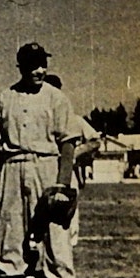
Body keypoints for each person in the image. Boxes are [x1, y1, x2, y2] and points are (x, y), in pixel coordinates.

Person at [0, 43, 82, 278]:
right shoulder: (5, 98)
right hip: (14, 166)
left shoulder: (57, 98)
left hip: (47, 167)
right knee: (11, 232)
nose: (39, 70)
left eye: (42, 64)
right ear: (21, 67)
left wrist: (62, 184)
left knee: (56, 236)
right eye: (32, 65)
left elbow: (68, 143)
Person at [44, 73, 101, 246]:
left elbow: (95, 140)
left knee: (67, 214)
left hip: (67, 173)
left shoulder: (73, 119)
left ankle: (67, 250)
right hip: (43, 169)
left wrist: (73, 154)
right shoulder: (38, 119)